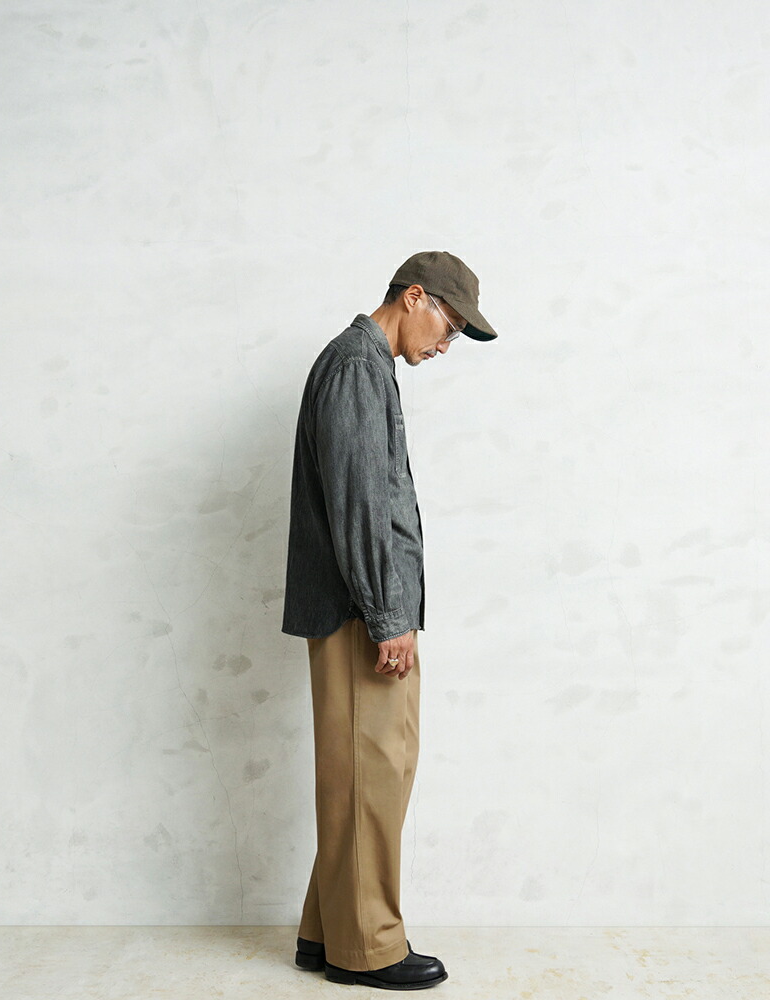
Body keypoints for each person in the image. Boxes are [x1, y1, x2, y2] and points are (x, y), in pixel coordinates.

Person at [281, 250, 497, 989]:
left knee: (366, 776)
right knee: (372, 776)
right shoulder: (355, 367)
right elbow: (360, 501)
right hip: (361, 614)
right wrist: (386, 613)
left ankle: (325, 932)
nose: (447, 344)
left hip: (365, 609)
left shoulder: (366, 366)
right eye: (449, 326)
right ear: (414, 297)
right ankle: (367, 949)